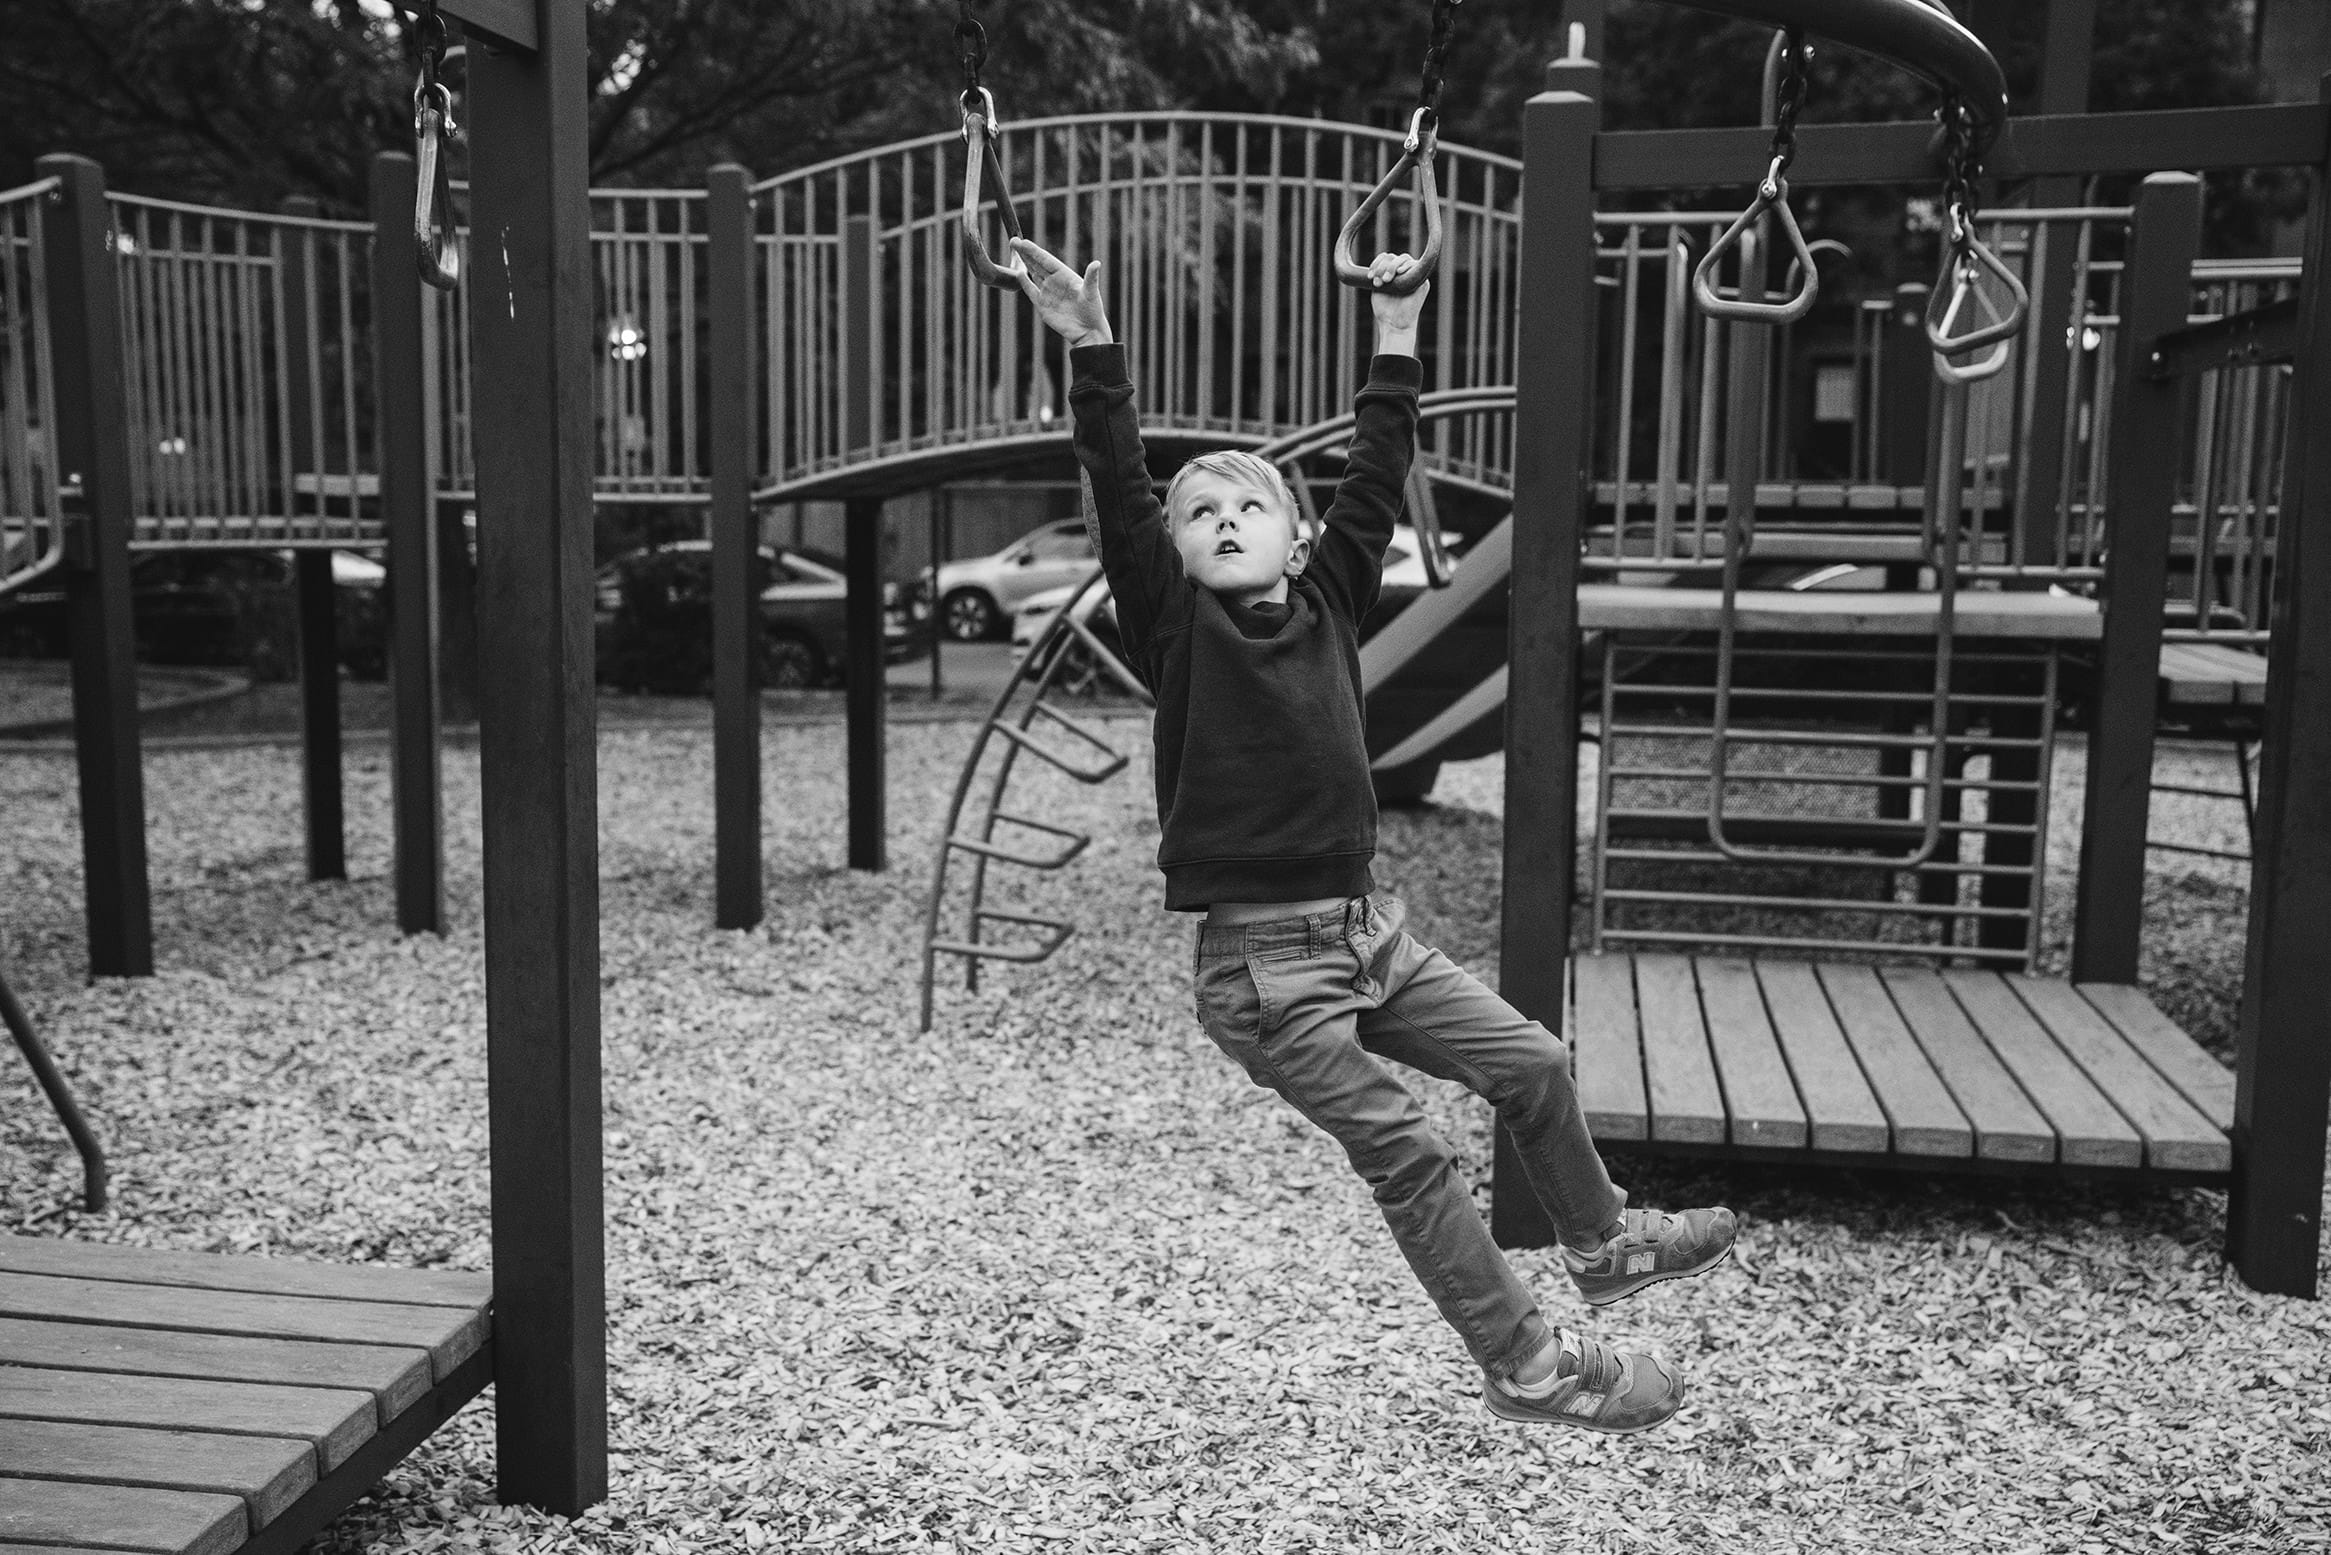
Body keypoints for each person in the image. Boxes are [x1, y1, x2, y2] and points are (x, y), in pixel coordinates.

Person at [1006, 234, 1737, 1434]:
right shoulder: (1176, 627)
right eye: (1200, 513)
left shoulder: (1332, 600)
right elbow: (1119, 477)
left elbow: (1376, 474)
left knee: (1533, 1062)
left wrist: (1398, 332)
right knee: (1411, 1152)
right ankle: (1530, 1364)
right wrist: (1090, 338)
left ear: (1296, 542)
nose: (1223, 518)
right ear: (1173, 553)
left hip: (1367, 936)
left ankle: (1604, 1242)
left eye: (1251, 506)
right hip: (1264, 974)